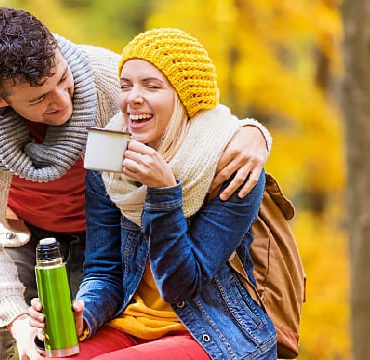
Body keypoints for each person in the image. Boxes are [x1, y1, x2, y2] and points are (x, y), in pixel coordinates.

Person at [0, 7, 272, 360]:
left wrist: (253, 133)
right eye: (39, 98)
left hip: (152, 280)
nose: (63, 101)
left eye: (63, 79)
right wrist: (22, 321)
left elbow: (191, 103)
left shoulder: (106, 78)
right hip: (29, 238)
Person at [28, 28, 277, 359]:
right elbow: (104, 271)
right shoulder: (108, 155)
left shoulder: (229, 164)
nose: (133, 98)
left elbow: (179, 286)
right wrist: (83, 316)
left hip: (210, 334)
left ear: (184, 98)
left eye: (152, 85)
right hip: (130, 326)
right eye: (126, 85)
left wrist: (164, 193)